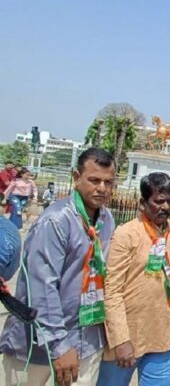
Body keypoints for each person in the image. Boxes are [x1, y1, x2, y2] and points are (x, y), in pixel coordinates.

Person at [0, 148, 116, 386]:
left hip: (86, 340)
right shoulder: (56, 220)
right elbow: (41, 286)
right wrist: (59, 344)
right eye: (94, 180)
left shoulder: (107, 220)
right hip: (39, 344)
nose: (102, 188)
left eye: (108, 182)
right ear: (76, 177)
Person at [96, 173, 170, 385]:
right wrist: (120, 340)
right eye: (158, 201)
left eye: (169, 201)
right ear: (142, 203)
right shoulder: (126, 234)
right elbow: (113, 289)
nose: (165, 207)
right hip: (128, 336)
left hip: (163, 335)